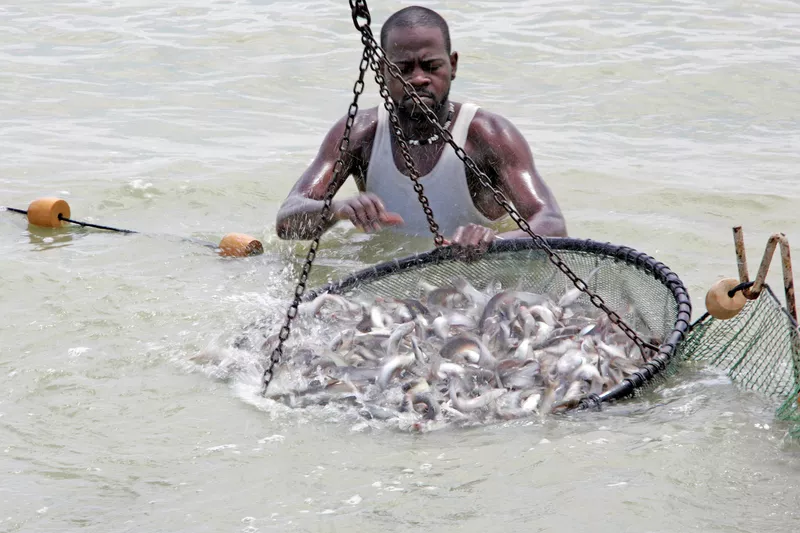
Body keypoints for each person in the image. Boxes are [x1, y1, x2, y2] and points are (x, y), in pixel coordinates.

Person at [276, 5, 567, 259]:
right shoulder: (358, 133)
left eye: (431, 66)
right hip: (390, 278)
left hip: (479, 274)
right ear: (383, 70)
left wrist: (494, 241)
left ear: (452, 65)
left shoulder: (489, 135)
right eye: (403, 68)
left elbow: (552, 223)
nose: (418, 78)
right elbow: (287, 223)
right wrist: (337, 208)